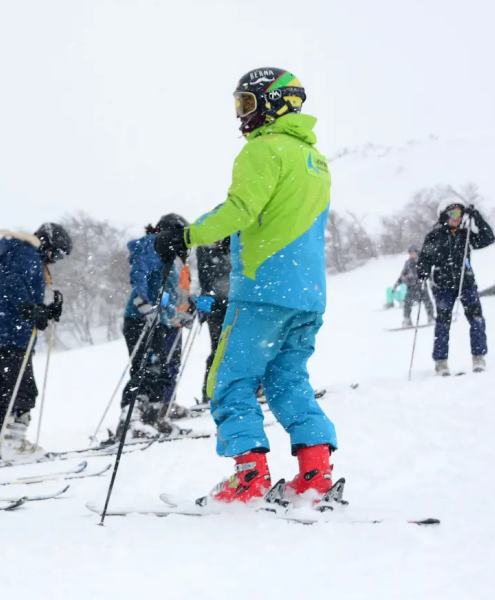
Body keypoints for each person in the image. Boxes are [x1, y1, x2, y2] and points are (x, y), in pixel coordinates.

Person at [153, 67, 340, 508]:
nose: (242, 117)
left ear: (274, 103)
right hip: (308, 294)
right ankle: (315, 473)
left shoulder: (263, 151)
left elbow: (240, 209)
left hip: (263, 291)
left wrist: (184, 236)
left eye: (248, 104)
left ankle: (250, 477)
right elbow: (267, 210)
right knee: (287, 379)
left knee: (229, 381)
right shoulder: (314, 159)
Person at [0, 223, 72, 462]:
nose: (55, 259)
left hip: (3, 332)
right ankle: (11, 443)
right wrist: (31, 310)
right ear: (47, 243)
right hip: (11, 335)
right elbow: (12, 288)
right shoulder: (26, 254)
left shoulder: (21, 253)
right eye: (56, 253)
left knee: (1, 390)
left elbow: (18, 292)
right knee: (22, 389)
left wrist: (45, 311)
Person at [108, 214, 187, 444]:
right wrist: (143, 301)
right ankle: (130, 420)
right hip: (141, 319)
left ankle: (151, 418)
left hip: (159, 320)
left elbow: (169, 290)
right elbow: (139, 272)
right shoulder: (152, 244)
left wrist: (185, 308)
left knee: (160, 370)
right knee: (145, 368)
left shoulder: (170, 256)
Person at [417, 203, 495, 375]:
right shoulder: (435, 236)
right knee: (443, 324)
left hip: (466, 283)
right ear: (445, 215)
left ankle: (478, 357)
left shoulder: (465, 234)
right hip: (443, 286)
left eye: (460, 214)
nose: (456, 217)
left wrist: (476, 216)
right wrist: (422, 272)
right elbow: (424, 258)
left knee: (477, 319)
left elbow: (488, 238)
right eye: (452, 213)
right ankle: (441, 362)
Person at [195, 238, 230, 405]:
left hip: (233, 302)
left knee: (238, 348)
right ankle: (210, 392)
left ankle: (231, 390)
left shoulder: (235, 241)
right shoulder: (205, 249)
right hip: (217, 305)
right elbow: (204, 276)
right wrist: (205, 295)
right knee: (219, 348)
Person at [396, 245, 435, 327]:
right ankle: (407, 320)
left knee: (427, 301)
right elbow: (403, 274)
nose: (412, 254)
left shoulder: (423, 262)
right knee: (407, 303)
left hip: (421, 286)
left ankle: (430, 317)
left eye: (414, 253)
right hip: (411, 287)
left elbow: (429, 273)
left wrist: (431, 281)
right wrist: (397, 284)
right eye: (411, 253)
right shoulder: (408, 263)